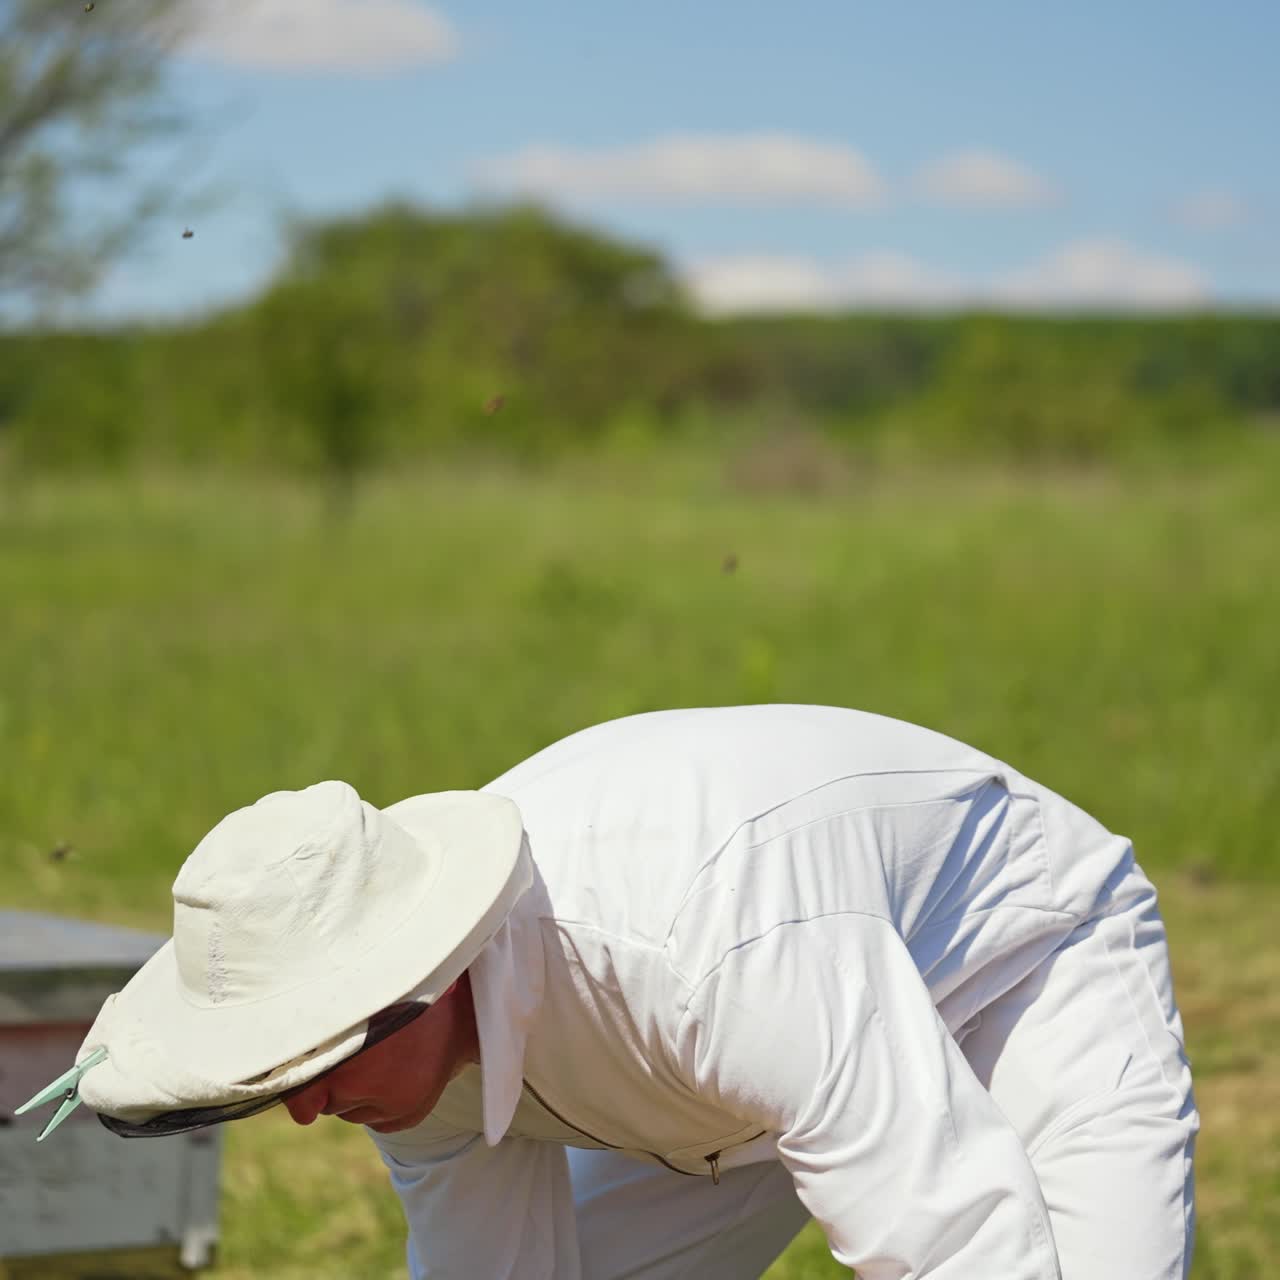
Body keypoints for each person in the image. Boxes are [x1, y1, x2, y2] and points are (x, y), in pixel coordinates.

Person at [59, 705, 1196, 1278]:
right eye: (279, 1072)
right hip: (739, 1055)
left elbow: (953, 1242)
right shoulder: (394, 1069)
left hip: (1012, 954)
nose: (306, 1108)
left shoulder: (699, 946)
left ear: (425, 975)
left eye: (314, 1063)